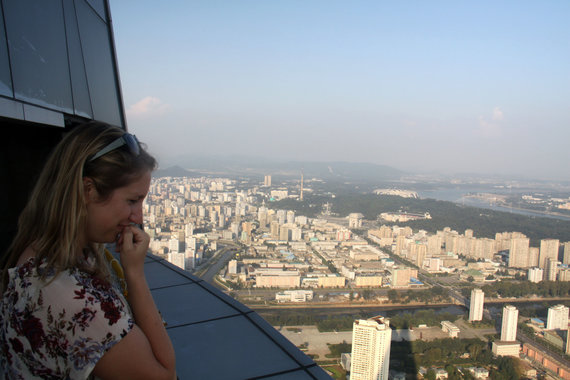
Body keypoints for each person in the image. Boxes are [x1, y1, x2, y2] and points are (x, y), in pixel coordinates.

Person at [0, 123, 176, 379]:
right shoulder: (76, 300)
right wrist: (135, 274)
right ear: (87, 190)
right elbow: (166, 375)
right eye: (132, 200)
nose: (138, 216)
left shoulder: (37, 252)